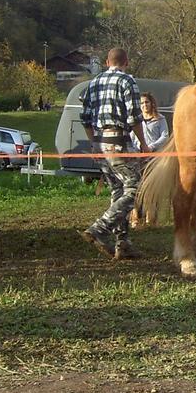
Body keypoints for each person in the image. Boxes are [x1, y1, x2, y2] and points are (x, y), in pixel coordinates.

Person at [79, 48, 151, 259]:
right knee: (135, 189)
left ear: (106, 62)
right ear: (126, 62)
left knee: (117, 191)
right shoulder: (127, 81)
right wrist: (144, 145)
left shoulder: (94, 83)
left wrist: (93, 143)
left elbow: (85, 118)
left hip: (100, 143)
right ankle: (99, 228)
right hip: (118, 141)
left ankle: (123, 243)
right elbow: (134, 117)